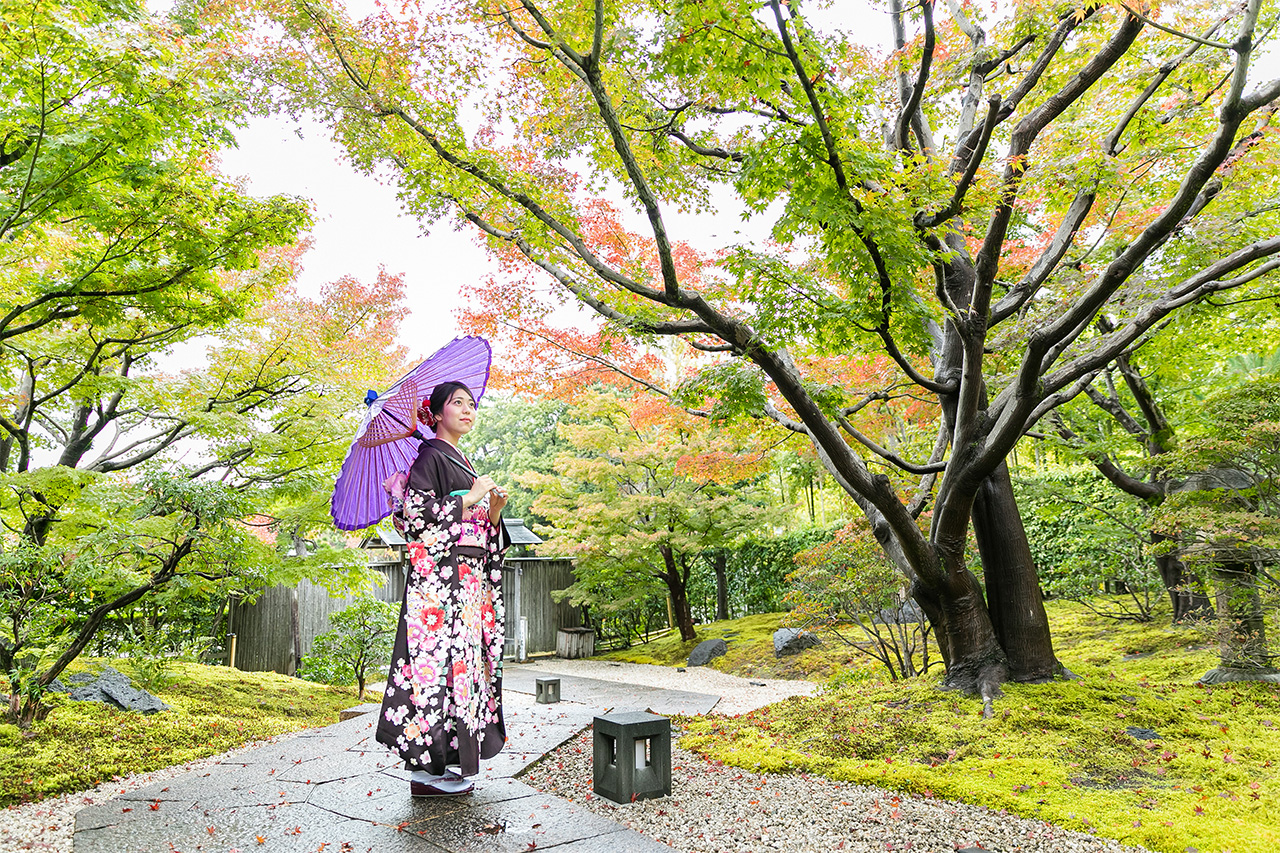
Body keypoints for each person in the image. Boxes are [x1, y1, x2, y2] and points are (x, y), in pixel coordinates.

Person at [376, 380, 509, 797]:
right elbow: (416, 518)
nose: (468, 410)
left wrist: (494, 513)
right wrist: (470, 498)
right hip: (439, 585)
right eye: (457, 403)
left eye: (472, 404)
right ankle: (425, 771)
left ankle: (447, 763)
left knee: (461, 671)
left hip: (465, 583)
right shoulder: (429, 456)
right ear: (436, 413)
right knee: (434, 669)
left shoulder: (461, 460)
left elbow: (478, 529)